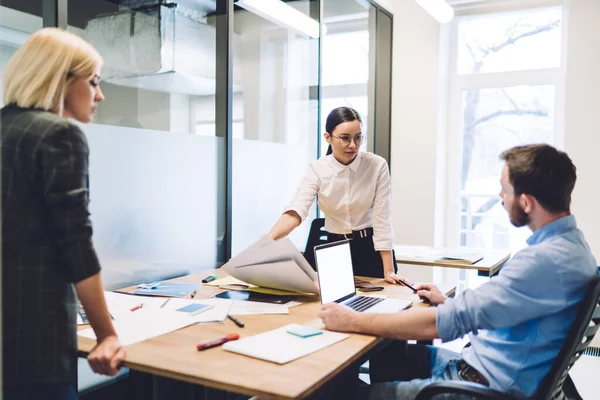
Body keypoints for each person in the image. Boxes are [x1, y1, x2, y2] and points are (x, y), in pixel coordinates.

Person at [318, 144, 597, 399]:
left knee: (341, 393)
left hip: (476, 387)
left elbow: (440, 324)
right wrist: (448, 302)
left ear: (526, 202)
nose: (501, 198)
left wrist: (353, 321)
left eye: (505, 190)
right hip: (478, 367)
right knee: (389, 358)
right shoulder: (572, 247)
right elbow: (504, 309)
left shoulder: (542, 261)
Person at [1, 28, 125, 399]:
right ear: (60, 78)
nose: (99, 95)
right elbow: (75, 243)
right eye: (94, 82)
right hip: (34, 341)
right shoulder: (58, 135)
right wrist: (107, 335)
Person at [269, 107, 406, 284]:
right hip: (334, 248)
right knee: (333, 307)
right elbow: (296, 211)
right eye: (345, 138)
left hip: (370, 249)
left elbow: (382, 220)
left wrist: (388, 270)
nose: (353, 145)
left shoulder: (376, 165)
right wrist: (265, 244)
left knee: (374, 306)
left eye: (358, 137)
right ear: (328, 137)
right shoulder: (317, 168)